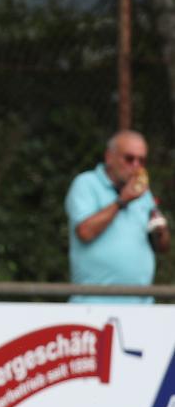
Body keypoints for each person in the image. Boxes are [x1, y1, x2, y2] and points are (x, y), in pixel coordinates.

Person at [65, 130, 170, 303]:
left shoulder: (143, 193)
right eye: (129, 158)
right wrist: (122, 200)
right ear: (109, 157)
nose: (136, 165)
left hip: (140, 305)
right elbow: (85, 232)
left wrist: (160, 232)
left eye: (141, 160)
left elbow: (163, 247)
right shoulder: (86, 183)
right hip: (93, 304)